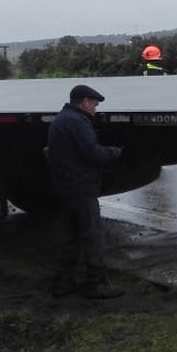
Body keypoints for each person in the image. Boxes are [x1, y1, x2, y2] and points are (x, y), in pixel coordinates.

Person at [46, 84, 125, 299]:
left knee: (71, 237)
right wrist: (116, 153)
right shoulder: (78, 123)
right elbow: (93, 153)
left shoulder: (62, 119)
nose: (96, 109)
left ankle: (62, 283)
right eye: (95, 105)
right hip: (81, 188)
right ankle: (97, 283)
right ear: (85, 102)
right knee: (93, 236)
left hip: (66, 187)